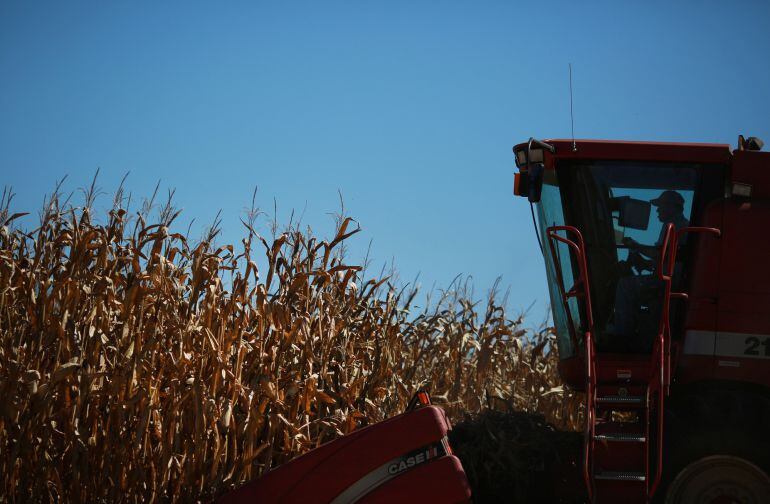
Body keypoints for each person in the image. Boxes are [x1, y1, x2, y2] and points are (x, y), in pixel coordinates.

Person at [610, 190, 689, 350]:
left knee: (625, 286)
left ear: (673, 207)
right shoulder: (673, 225)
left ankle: (623, 338)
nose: (657, 210)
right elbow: (665, 260)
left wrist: (636, 246)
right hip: (668, 278)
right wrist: (644, 263)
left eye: (661, 206)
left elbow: (662, 255)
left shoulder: (676, 226)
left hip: (669, 282)